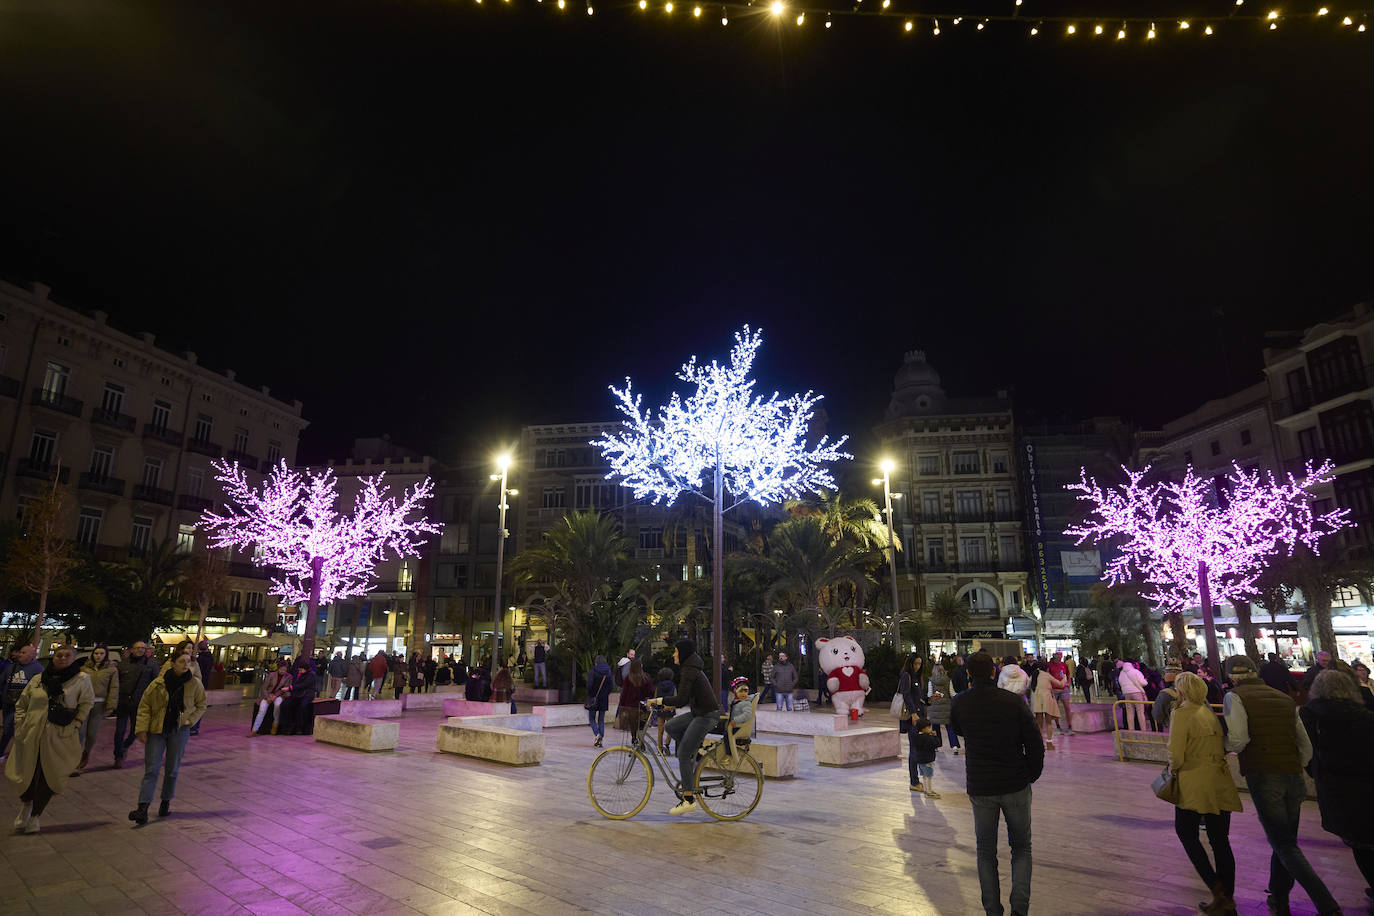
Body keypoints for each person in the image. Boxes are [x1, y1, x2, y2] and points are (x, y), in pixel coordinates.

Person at [1222, 655, 1341, 916]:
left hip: (1265, 775)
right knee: (1285, 841)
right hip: (1291, 773)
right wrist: (1294, 762)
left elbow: (1239, 738)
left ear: (1231, 676)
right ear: (1256, 672)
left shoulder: (1235, 697)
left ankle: (1328, 905)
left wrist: (1223, 747)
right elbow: (1305, 744)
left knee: (1285, 844)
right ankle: (1279, 897)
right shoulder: (1283, 698)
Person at [950, 652, 1044, 916]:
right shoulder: (1012, 703)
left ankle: (992, 910)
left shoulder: (960, 703)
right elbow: (1034, 742)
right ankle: (1020, 909)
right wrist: (1030, 774)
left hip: (981, 786)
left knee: (985, 852)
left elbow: (957, 730)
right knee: (1022, 848)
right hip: (1015, 783)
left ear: (968, 673)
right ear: (994, 672)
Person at [1167, 672, 1241, 915]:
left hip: (1194, 782)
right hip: (1219, 780)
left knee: (1185, 832)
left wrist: (1171, 769)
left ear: (1182, 690)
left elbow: (1176, 753)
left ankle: (1216, 888)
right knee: (1220, 839)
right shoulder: (1208, 711)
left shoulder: (1182, 712)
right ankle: (1227, 898)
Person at [1300, 668, 1374, 899]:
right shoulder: (1366, 716)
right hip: (1368, 783)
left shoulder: (1310, 716)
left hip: (1337, 789)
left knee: (1359, 844)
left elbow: (1307, 753)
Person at [5, 645, 93, 835]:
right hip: (31, 733)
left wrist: (76, 724)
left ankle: (36, 815)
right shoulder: (39, 679)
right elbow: (22, 703)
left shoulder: (81, 680)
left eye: (67, 655)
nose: (62, 658)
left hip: (58, 736)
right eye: (59, 655)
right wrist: (20, 725)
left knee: (48, 775)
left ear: (74, 658)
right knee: (27, 771)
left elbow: (86, 703)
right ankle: (26, 805)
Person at [128, 651, 206, 824]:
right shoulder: (158, 683)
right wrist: (141, 729)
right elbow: (144, 706)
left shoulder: (194, 684)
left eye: (188, 662)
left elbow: (201, 705)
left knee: (172, 770)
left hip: (179, 731)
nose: (185, 665)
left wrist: (190, 721)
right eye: (181, 661)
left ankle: (165, 801)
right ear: (172, 663)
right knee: (151, 770)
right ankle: (143, 808)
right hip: (157, 730)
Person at [648, 639, 720, 816]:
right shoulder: (689, 668)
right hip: (699, 712)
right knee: (671, 726)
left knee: (682, 754)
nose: (673, 655)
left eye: (675, 651)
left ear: (683, 653)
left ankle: (688, 799)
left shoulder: (689, 670)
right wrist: (665, 705)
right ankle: (692, 753)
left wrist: (659, 701)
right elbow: (685, 698)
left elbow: (680, 700)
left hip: (706, 715)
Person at [113, 640, 157, 768]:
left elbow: (155, 684)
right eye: (137, 648)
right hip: (123, 702)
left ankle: (125, 746)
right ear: (132, 649)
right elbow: (116, 683)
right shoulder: (123, 664)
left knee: (135, 731)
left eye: (143, 648)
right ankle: (118, 756)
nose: (140, 650)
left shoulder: (151, 664)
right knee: (119, 731)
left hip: (140, 704)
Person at [75, 645, 118, 774]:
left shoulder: (111, 670)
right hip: (84, 704)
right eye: (96, 653)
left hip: (99, 705)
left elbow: (114, 688)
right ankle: (76, 760)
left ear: (106, 655)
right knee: (80, 732)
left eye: (101, 653)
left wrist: (111, 705)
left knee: (92, 734)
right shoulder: (84, 669)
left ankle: (86, 753)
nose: (98, 656)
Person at [1, 642, 45, 758]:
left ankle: (3, 752)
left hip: (23, 705)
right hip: (8, 702)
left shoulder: (38, 669)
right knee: (8, 728)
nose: (20, 654)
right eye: (20, 652)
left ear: (32, 655)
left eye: (23, 652)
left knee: (8, 728)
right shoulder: (12, 666)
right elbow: (2, 681)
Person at [1030, 659, 1067, 749]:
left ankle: (1039, 743)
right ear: (1046, 668)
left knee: (1039, 723)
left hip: (1037, 700)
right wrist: (1064, 678)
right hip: (1047, 700)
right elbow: (1060, 684)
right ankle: (1049, 743)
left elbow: (1028, 685)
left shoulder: (1033, 676)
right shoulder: (1047, 675)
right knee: (1048, 722)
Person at [250, 659, 293, 736]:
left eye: (285, 670)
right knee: (262, 710)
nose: (283, 671)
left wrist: (275, 696)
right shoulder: (271, 675)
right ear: (278, 668)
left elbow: (284, 689)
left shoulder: (288, 677)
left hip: (279, 695)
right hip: (268, 695)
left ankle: (275, 724)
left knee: (277, 706)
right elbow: (264, 687)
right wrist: (267, 697)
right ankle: (254, 730)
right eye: (281, 669)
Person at [616, 659, 653, 742]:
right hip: (643, 707)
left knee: (633, 728)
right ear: (641, 667)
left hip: (631, 708)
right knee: (641, 727)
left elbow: (624, 695)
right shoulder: (646, 678)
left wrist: (622, 707)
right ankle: (640, 742)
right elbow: (651, 692)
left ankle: (634, 741)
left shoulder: (628, 679)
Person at [928, 662, 959, 755]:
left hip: (935, 708)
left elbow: (929, 695)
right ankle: (954, 747)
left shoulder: (931, 681)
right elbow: (952, 693)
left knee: (935, 727)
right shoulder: (948, 680)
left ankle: (936, 746)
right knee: (950, 727)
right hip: (947, 707)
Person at [585, 655, 614, 748]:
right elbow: (611, 687)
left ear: (596, 662)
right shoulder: (608, 672)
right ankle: (600, 739)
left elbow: (589, 685)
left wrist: (590, 694)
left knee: (592, 719)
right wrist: (605, 694)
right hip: (604, 699)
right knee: (601, 720)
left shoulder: (593, 671)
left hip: (593, 698)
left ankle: (597, 734)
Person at [910, 717, 942, 799]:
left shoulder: (915, 737)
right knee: (929, 777)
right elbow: (937, 744)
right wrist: (935, 736)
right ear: (924, 729)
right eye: (928, 727)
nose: (930, 729)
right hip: (928, 760)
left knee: (924, 776)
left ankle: (926, 790)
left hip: (920, 760)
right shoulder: (928, 738)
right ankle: (929, 792)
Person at [1046, 652, 1074, 734]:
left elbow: (1068, 675)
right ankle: (1058, 726)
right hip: (1054, 689)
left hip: (1063, 688)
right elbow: (1047, 676)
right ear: (1054, 656)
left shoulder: (1064, 665)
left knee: (1067, 707)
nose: (1059, 656)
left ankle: (1070, 726)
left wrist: (1068, 683)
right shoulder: (1049, 665)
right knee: (1055, 708)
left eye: (1060, 655)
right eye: (1057, 654)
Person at [1117, 660, 1149, 730]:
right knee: (1140, 712)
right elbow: (1144, 683)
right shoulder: (1135, 671)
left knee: (1130, 713)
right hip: (1137, 692)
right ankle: (1143, 730)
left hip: (1126, 694)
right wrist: (1145, 680)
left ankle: (1131, 730)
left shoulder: (1121, 673)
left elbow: (1120, 682)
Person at [652, 666, 677, 754]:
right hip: (670, 710)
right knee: (670, 728)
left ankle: (659, 748)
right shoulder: (673, 686)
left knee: (660, 730)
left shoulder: (658, 686)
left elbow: (655, 697)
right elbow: (675, 697)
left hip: (660, 710)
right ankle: (667, 744)